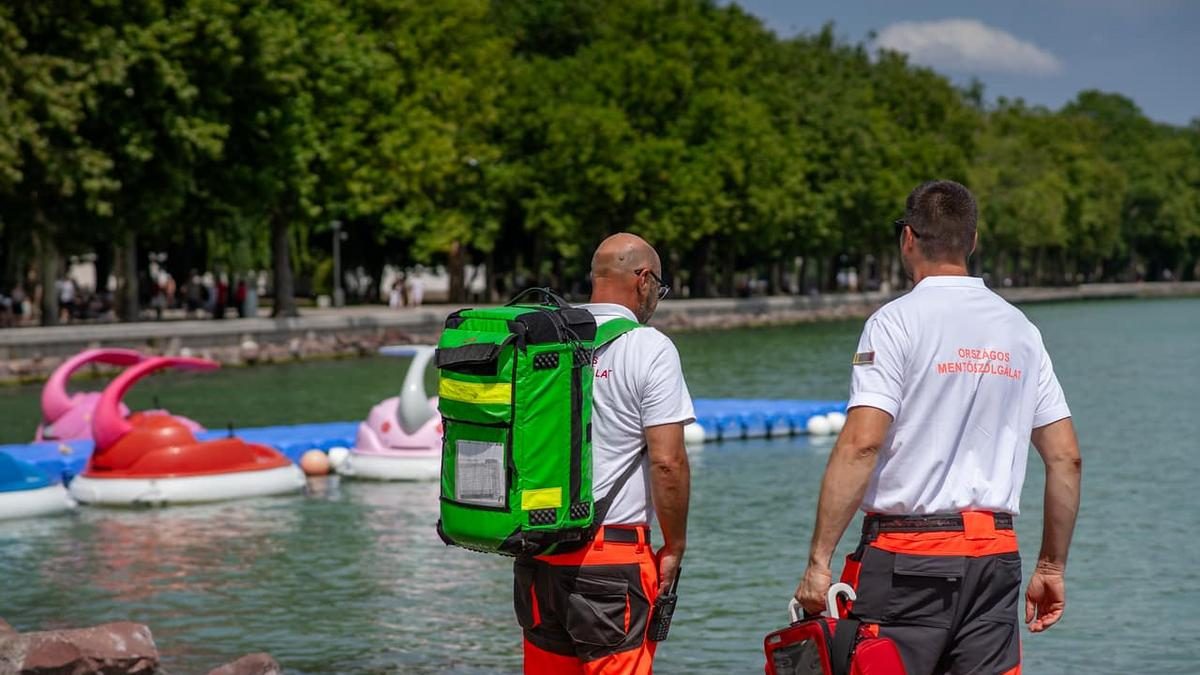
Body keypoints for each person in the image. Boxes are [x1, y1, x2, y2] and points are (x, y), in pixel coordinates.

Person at [795, 181, 1082, 675]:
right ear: (973, 241)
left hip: (907, 559)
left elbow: (862, 444)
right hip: (995, 558)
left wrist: (819, 561)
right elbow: (1065, 458)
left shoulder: (895, 323)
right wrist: (1051, 566)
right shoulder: (1021, 331)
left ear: (908, 238)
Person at [514, 233, 692, 675]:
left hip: (539, 555)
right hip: (609, 565)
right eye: (660, 287)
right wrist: (675, 545)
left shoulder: (545, 340)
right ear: (644, 279)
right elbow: (667, 462)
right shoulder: (648, 347)